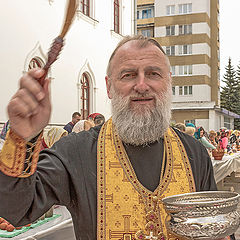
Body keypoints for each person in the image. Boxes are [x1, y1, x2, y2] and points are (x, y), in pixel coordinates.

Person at [0, 35, 231, 240]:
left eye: (153, 74)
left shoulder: (194, 153)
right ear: (109, 87)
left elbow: (213, 224)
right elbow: (15, 210)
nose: (141, 85)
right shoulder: (74, 152)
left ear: (168, 82)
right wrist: (23, 137)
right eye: (128, 75)